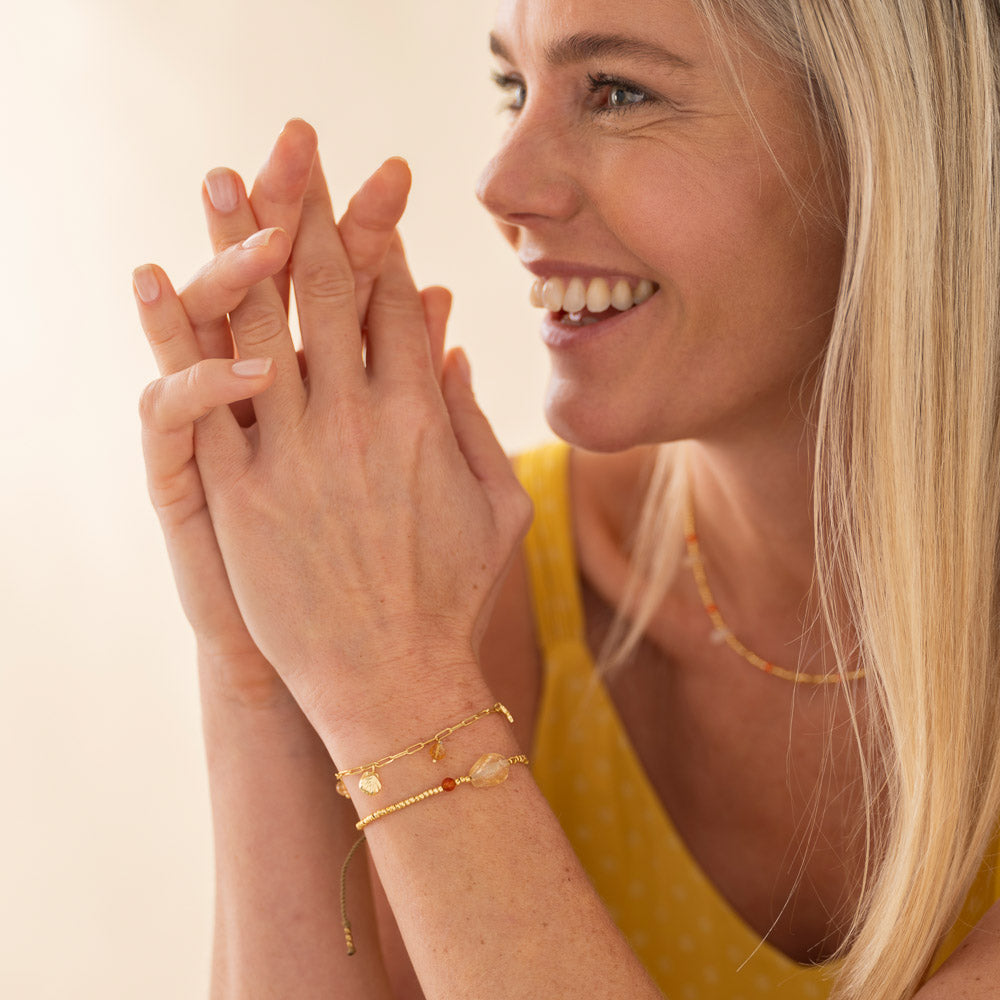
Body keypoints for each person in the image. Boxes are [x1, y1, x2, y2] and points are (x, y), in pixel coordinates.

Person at [133, 0, 1000, 997]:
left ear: (886, 148)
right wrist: (262, 664)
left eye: (619, 92)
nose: (501, 185)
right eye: (512, 87)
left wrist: (401, 687)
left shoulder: (418, 647)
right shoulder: (473, 589)